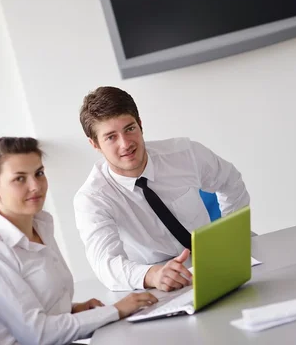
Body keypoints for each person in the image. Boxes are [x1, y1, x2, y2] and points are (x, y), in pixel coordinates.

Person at [0, 137, 158, 345]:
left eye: (39, 173)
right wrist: (116, 310)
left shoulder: (41, 227)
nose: (35, 186)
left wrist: (74, 310)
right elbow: (37, 334)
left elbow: (37, 306)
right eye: (20, 179)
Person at [74, 86, 250, 292]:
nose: (125, 144)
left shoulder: (184, 153)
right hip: (159, 285)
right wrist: (153, 275)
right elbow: (106, 264)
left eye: (129, 129)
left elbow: (231, 181)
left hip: (217, 263)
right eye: (111, 137)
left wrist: (229, 236)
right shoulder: (92, 199)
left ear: (140, 125)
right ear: (94, 144)